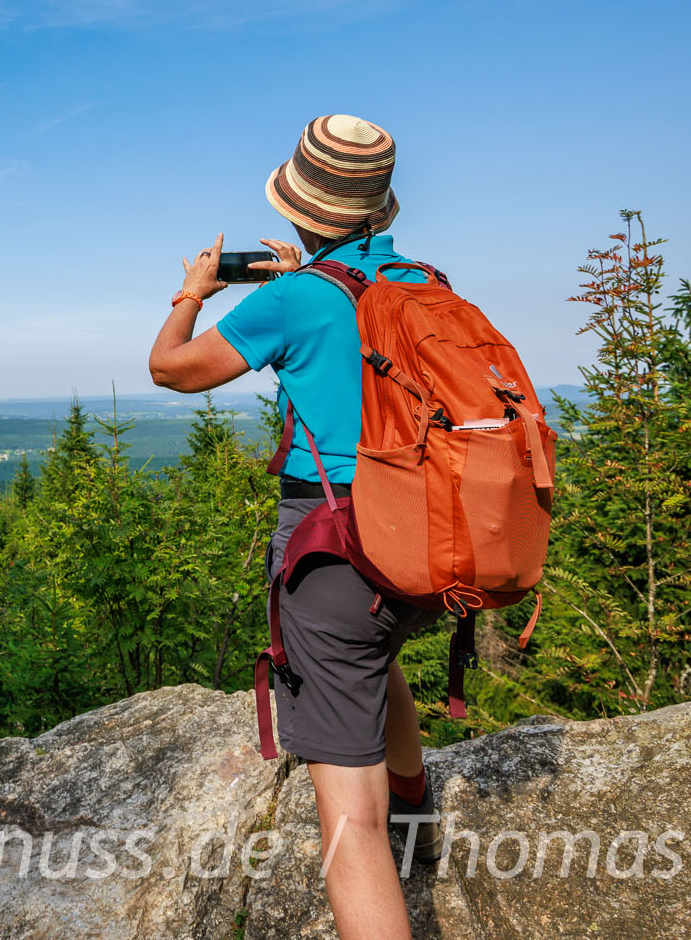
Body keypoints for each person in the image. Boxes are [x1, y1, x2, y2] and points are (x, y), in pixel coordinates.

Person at [147, 114, 435, 940]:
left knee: (350, 823)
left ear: (302, 204)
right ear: (376, 211)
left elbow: (171, 369)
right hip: (424, 537)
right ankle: (416, 798)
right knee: (369, 658)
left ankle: (390, 826)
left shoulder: (296, 296)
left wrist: (196, 291)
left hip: (338, 548)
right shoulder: (424, 280)